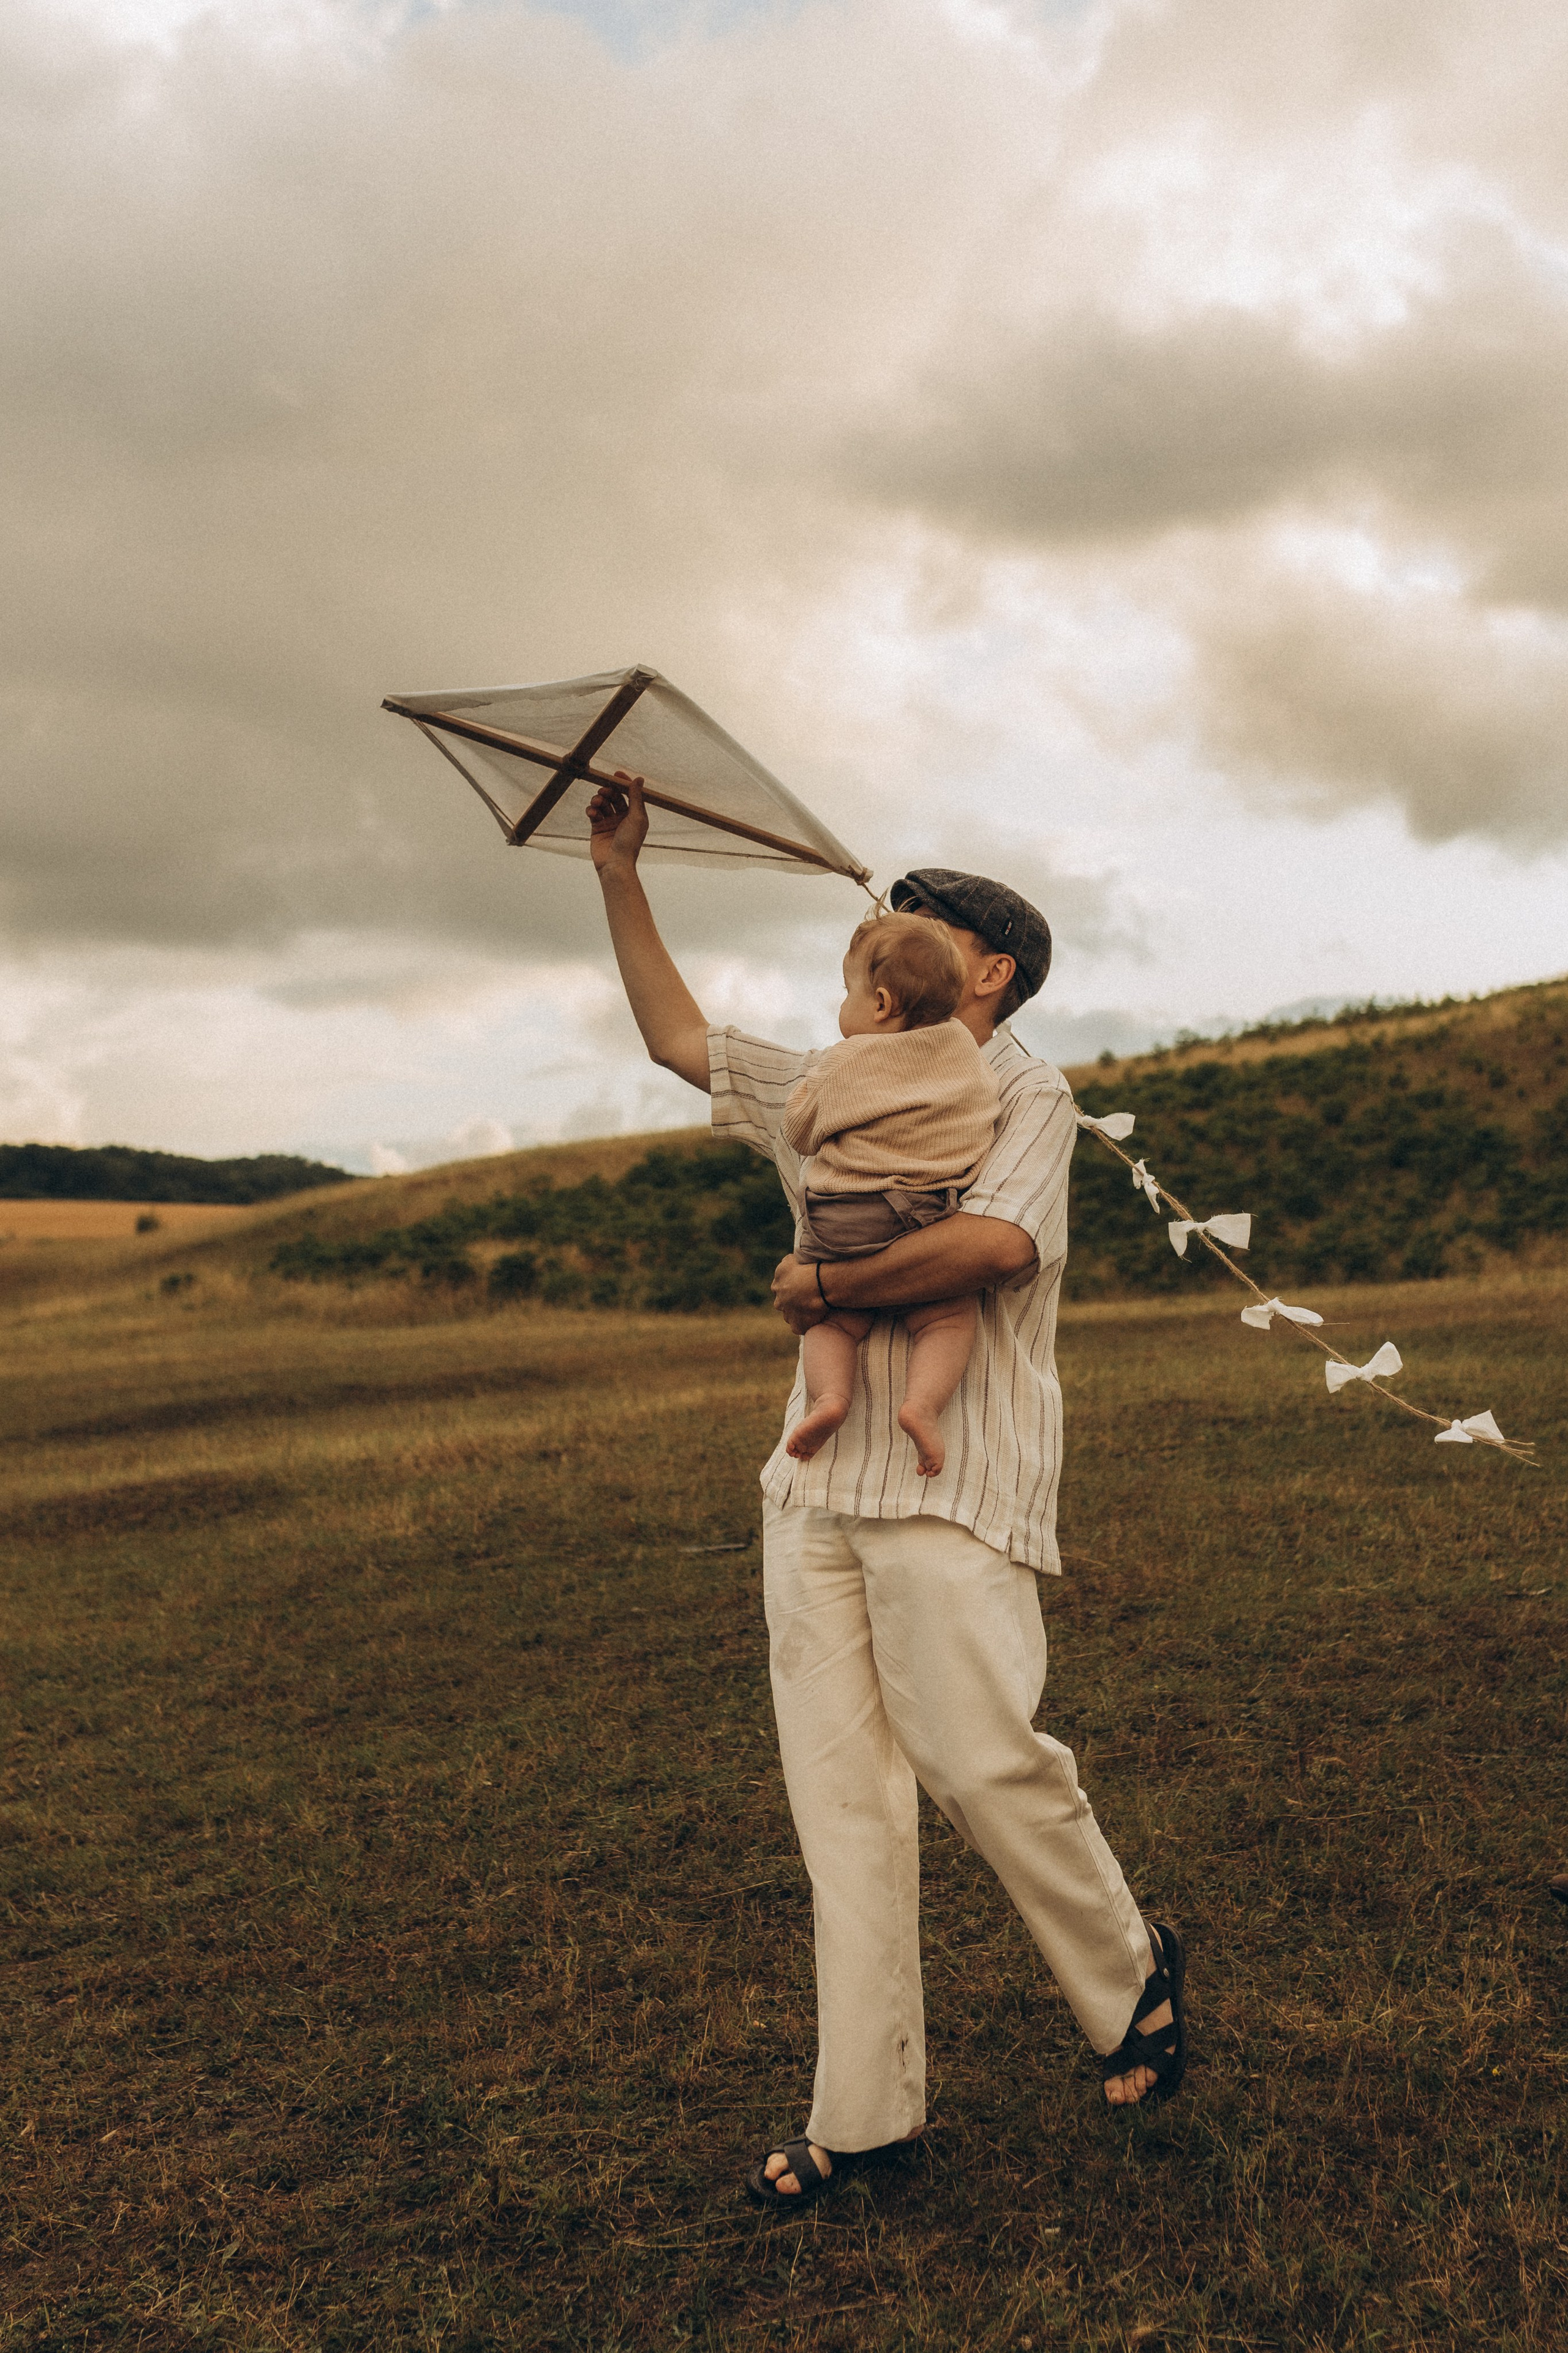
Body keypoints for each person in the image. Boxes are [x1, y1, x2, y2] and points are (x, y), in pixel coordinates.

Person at [584, 771, 1189, 2213]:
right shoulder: (826, 1077)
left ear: (989, 972)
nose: (881, 941)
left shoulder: (1026, 1089)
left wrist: (823, 1280)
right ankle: (866, 2119)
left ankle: (1130, 1965)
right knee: (839, 1803)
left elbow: (989, 1249)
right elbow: (679, 1040)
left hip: (952, 1474)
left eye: (913, 926)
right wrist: (617, 871)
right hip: (810, 1481)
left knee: (980, 1757)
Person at [783, 912, 1000, 1478]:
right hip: (925, 1218)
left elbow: (801, 1131)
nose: (843, 1005)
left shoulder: (847, 1058)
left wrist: (809, 1089)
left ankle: (831, 1398)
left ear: (880, 1003)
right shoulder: (963, 1052)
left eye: (847, 990)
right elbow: (981, 1125)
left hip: (840, 1220)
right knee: (948, 1317)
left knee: (831, 1322)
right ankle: (922, 1405)